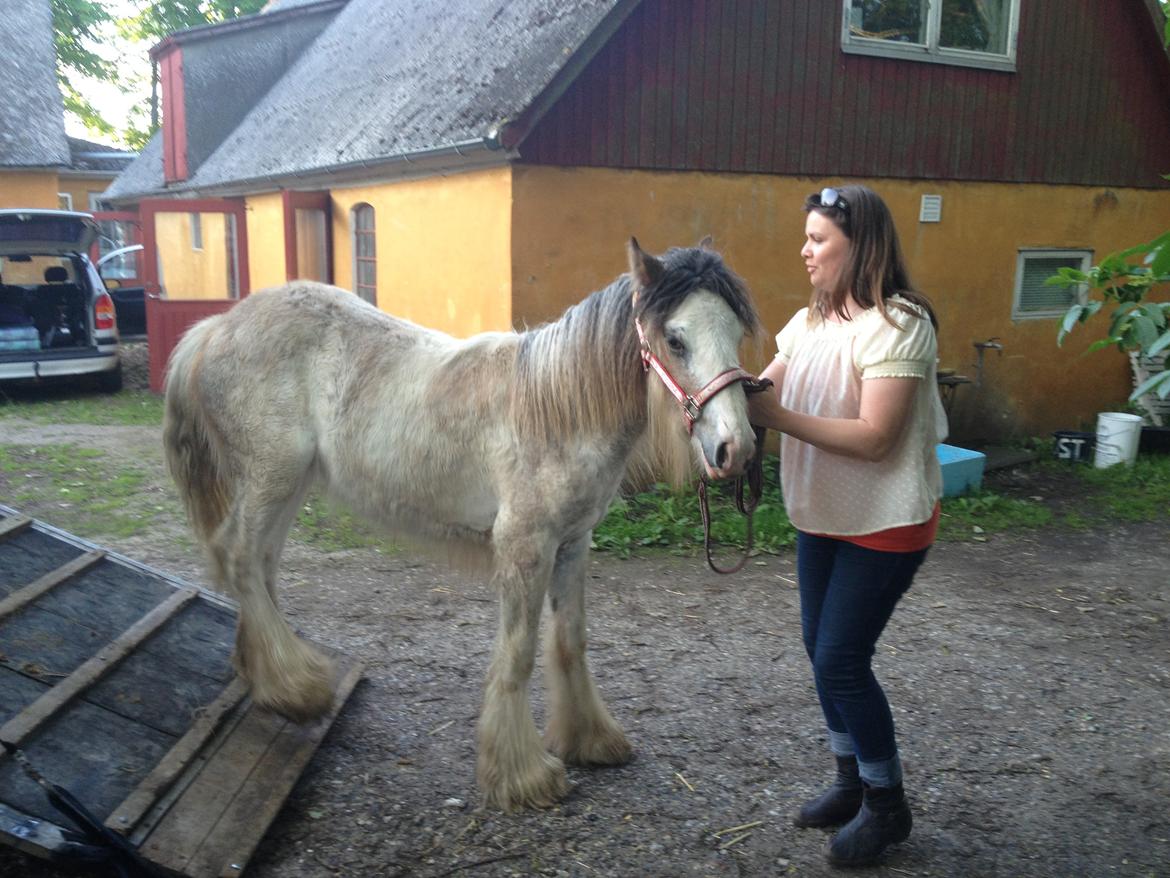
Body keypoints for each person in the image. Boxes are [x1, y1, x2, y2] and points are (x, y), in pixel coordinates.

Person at [748, 184, 947, 867]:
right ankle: (849, 782)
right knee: (818, 649)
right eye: (806, 239)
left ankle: (887, 806)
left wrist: (771, 419)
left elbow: (876, 440)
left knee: (840, 659)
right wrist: (722, 408)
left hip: (886, 520)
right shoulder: (811, 322)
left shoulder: (900, 324)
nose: (804, 251)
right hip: (824, 515)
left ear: (858, 245)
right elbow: (763, 392)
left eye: (818, 240)